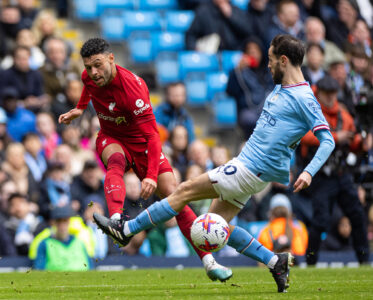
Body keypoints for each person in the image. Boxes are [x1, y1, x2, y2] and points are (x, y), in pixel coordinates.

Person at [94, 34, 336, 293]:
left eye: (271, 60)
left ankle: (126, 229)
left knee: (184, 190)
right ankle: (274, 261)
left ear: (284, 60)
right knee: (213, 227)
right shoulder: (281, 89)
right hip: (250, 168)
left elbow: (328, 140)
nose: (268, 65)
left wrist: (309, 172)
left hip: (249, 169)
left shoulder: (304, 97)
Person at [58, 38, 231, 281]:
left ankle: (210, 262)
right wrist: (80, 108)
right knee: (115, 162)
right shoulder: (89, 77)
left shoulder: (133, 88)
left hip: (142, 144)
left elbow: (152, 135)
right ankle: (117, 222)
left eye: (97, 65)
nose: (93, 72)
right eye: (88, 67)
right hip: (111, 137)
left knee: (176, 197)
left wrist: (150, 175)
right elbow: (88, 86)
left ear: (111, 59)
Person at [299, 75, 371, 265]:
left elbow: (353, 140)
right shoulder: (310, 111)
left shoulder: (344, 115)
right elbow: (304, 137)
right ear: (318, 93)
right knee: (320, 221)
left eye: (333, 94)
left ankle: (364, 261)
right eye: (327, 94)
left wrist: (362, 143)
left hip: (342, 174)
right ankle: (311, 261)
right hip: (321, 177)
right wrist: (335, 137)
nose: (331, 98)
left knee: (357, 215)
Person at [33, 204, 92, 271]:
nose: (62, 225)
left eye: (65, 221)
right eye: (59, 221)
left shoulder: (80, 242)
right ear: (53, 223)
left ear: (69, 221)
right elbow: (39, 270)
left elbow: (90, 268)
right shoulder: (44, 244)